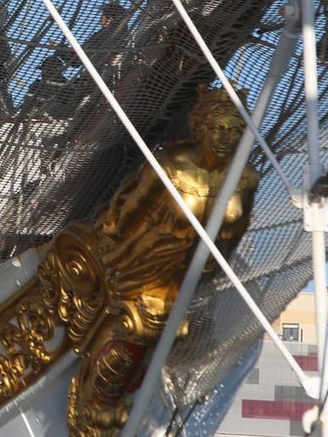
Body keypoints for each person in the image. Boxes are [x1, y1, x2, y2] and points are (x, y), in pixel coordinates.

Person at [61, 85, 258, 434]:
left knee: (164, 324)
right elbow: (129, 210)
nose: (225, 138)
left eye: (233, 130)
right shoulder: (172, 166)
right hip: (145, 262)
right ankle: (100, 400)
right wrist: (108, 248)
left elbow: (235, 233)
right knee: (141, 320)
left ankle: (111, 399)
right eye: (218, 128)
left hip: (190, 273)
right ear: (201, 127)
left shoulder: (246, 179)